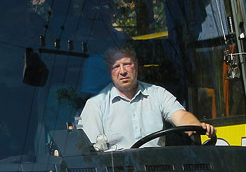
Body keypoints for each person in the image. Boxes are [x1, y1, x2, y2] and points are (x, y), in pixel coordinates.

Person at [78, 46, 214, 150]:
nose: (123, 71)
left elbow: (180, 115)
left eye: (127, 64)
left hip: (159, 170)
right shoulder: (95, 105)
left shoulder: (157, 94)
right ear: (109, 71)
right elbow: (88, 151)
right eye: (116, 66)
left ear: (136, 65)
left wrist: (196, 126)